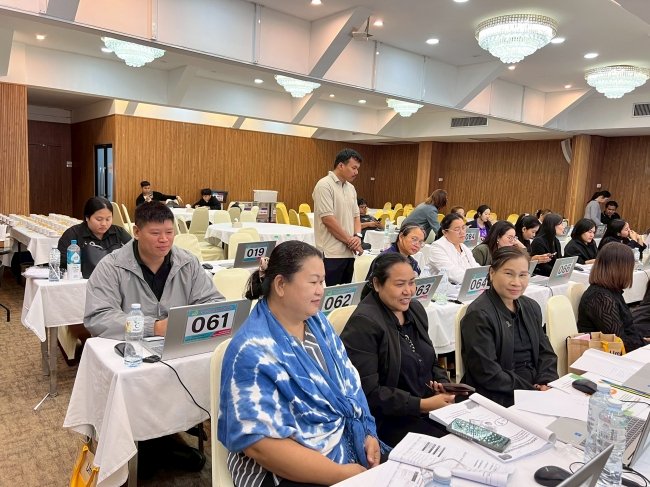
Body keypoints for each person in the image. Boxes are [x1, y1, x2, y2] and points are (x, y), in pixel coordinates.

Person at [218, 241, 382, 487]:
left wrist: (368, 432)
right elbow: (260, 446)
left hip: (341, 442)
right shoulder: (252, 349)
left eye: (323, 281)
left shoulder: (319, 325)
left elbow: (350, 382)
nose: (321, 290)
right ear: (281, 285)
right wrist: (339, 474)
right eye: (313, 282)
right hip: (277, 471)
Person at [341, 253, 455, 447]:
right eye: (400, 284)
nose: (408, 291)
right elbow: (368, 393)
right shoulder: (364, 324)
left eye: (412, 282)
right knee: (451, 447)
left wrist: (443, 384)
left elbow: (429, 359)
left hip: (427, 407)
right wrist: (421, 405)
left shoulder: (415, 309)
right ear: (377, 284)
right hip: (390, 420)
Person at [84, 201, 222, 339]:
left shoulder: (188, 263)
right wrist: (154, 327)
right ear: (137, 232)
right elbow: (98, 317)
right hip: (130, 346)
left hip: (179, 344)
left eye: (169, 232)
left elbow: (213, 302)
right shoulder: (111, 267)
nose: (164, 239)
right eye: (155, 233)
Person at [461, 247, 559, 407]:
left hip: (536, 388)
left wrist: (546, 381)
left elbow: (546, 352)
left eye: (523, 275)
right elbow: (488, 373)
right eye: (508, 274)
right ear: (492, 273)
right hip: (499, 395)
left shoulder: (531, 306)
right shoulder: (479, 314)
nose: (516, 282)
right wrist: (530, 391)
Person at [577, 242, 645, 352]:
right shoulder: (601, 297)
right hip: (609, 356)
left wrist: (643, 341)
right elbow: (619, 342)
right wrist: (643, 345)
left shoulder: (611, 291)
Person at [312, 149, 363, 286]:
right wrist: (351, 241)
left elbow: (356, 216)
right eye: (353, 168)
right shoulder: (324, 185)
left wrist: (357, 236)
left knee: (344, 293)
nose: (356, 172)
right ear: (341, 165)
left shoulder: (351, 188)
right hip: (331, 253)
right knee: (328, 294)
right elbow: (328, 220)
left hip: (349, 253)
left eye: (357, 169)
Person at [57, 196, 131, 279]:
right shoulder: (73, 234)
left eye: (108, 219)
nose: (104, 224)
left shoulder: (118, 233)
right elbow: (61, 264)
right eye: (99, 219)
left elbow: (135, 253)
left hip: (115, 280)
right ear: (87, 218)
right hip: (83, 282)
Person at [427, 213, 479, 285]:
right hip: (445, 289)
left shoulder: (463, 247)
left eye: (463, 228)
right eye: (457, 229)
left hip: (467, 285)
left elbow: (475, 266)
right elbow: (451, 273)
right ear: (445, 232)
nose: (462, 232)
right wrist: (474, 280)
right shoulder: (437, 247)